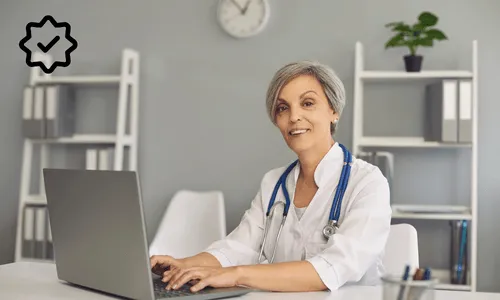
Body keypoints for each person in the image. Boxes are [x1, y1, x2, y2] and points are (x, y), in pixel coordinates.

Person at [150, 61, 392, 293]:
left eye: (307, 103)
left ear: (334, 111)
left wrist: (236, 275)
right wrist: (185, 264)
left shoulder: (367, 183)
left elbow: (333, 267)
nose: (294, 116)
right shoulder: (275, 183)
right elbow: (239, 247)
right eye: (283, 108)